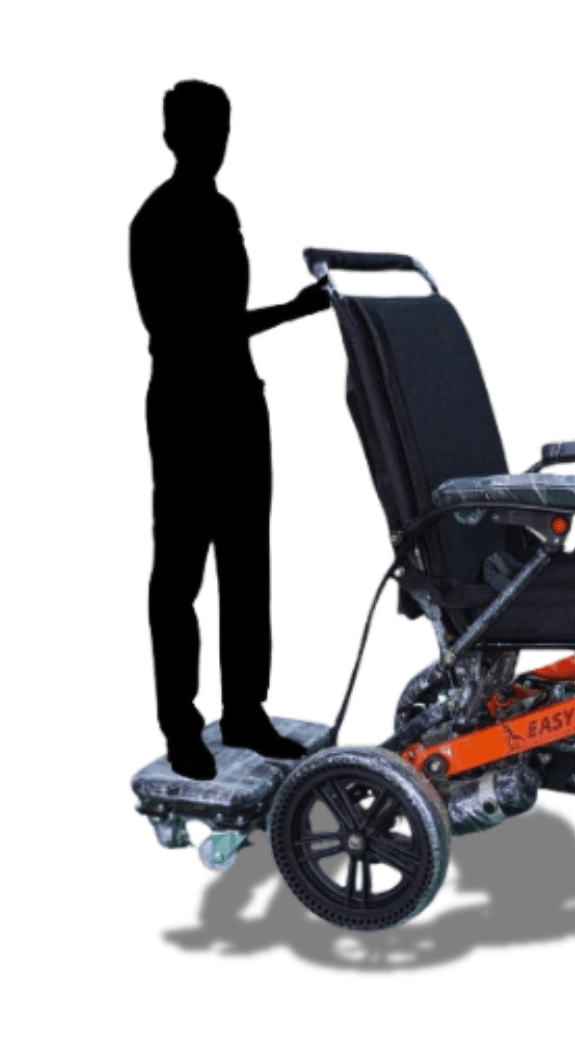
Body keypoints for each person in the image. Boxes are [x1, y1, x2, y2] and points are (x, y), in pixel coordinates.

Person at [130, 81, 329, 780]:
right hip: (187, 412)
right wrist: (292, 312)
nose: (214, 143)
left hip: (240, 404)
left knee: (247, 567)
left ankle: (244, 709)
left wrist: (290, 313)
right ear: (171, 137)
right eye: (200, 131)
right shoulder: (157, 219)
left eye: (221, 129)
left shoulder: (221, 210)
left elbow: (222, 323)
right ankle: (181, 727)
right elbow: (190, 330)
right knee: (179, 575)